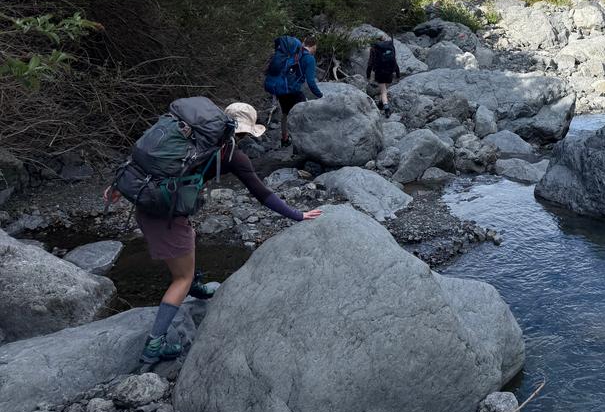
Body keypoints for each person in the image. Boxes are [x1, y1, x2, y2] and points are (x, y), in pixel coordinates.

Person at [104, 102, 322, 365]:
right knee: (179, 279)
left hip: (146, 200)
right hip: (164, 213)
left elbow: (145, 159)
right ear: (243, 133)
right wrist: (298, 215)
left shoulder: (187, 136)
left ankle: (195, 284)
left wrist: (117, 186)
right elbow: (262, 194)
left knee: (190, 239)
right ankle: (154, 344)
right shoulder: (233, 156)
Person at [265, 36, 323, 147]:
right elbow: (311, 81)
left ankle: (284, 139)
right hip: (293, 90)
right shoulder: (309, 58)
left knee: (285, 113)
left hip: (281, 88)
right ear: (314, 46)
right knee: (303, 113)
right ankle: (302, 142)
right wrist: (320, 95)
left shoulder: (291, 54)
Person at [366, 35, 401, 117]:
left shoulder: (374, 48)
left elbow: (370, 63)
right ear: (383, 39)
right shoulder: (390, 46)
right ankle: (381, 103)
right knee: (384, 88)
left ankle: (386, 108)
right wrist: (397, 73)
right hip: (389, 71)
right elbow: (394, 60)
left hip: (379, 71)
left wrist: (368, 74)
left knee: (383, 90)